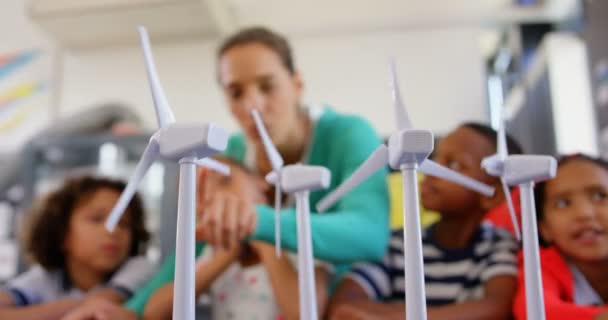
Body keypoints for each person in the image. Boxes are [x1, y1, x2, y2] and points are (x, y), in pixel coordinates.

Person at [120, 26, 389, 318]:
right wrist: (127, 311)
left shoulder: (348, 135)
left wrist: (254, 220)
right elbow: (194, 248)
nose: (252, 106)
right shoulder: (228, 153)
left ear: (297, 84)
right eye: (235, 92)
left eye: (267, 86)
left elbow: (370, 234)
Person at [328, 123, 522, 320]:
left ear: (493, 194)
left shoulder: (498, 246)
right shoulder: (396, 244)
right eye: (434, 159)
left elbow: (496, 309)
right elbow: (344, 307)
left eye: (453, 164)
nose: (431, 170)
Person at [0, 175, 154, 320]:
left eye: (124, 223)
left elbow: (100, 304)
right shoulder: (45, 278)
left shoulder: (139, 268)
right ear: (61, 233)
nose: (114, 231)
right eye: (97, 219)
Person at [513, 154, 608, 320]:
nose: (584, 213)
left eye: (600, 196)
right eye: (563, 203)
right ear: (543, 228)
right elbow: (535, 309)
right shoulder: (540, 264)